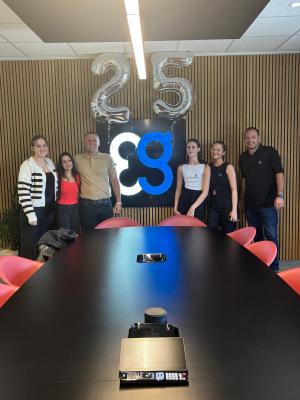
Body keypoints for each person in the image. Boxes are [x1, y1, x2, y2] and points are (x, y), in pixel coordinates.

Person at [239, 127, 284, 272]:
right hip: (250, 206)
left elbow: (279, 173)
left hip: (268, 204)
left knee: (271, 236)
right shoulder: (243, 157)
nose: (250, 140)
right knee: (257, 237)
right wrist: (241, 198)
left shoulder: (270, 152)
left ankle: (275, 269)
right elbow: (244, 180)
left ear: (259, 138)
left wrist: (280, 195)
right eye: (247, 137)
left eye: (253, 137)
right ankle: (262, 269)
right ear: (245, 139)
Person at [17, 135, 58, 259]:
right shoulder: (27, 165)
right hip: (34, 210)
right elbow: (23, 191)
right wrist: (31, 215)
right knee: (30, 245)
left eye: (44, 145)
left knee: (45, 244)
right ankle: (27, 275)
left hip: (49, 209)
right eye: (38, 146)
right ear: (32, 148)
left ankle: (43, 273)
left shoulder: (50, 162)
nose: (42, 148)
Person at [74, 132, 122, 231]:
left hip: (106, 204)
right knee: (89, 237)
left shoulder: (107, 158)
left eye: (94, 140)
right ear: (84, 143)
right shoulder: (76, 159)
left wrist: (118, 201)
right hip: (86, 205)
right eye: (89, 140)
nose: (92, 142)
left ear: (99, 143)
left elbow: (114, 180)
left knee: (107, 235)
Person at [206, 141, 238, 233]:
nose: (215, 151)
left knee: (228, 238)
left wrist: (234, 210)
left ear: (223, 152)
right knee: (211, 237)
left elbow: (234, 190)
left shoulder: (228, 167)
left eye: (218, 150)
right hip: (213, 208)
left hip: (227, 209)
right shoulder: (208, 167)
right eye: (213, 149)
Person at [174, 139, 209, 221]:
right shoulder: (181, 167)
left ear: (198, 149)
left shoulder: (205, 167)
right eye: (188, 147)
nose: (190, 149)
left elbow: (205, 192)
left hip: (198, 199)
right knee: (182, 228)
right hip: (184, 198)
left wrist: (192, 208)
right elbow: (178, 190)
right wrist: (175, 208)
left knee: (196, 229)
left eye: (193, 147)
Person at [56, 152, 81, 234]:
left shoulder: (77, 177)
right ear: (61, 164)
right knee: (65, 235)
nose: (67, 163)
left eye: (69, 160)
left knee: (76, 234)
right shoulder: (58, 177)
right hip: (62, 209)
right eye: (64, 161)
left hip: (76, 208)